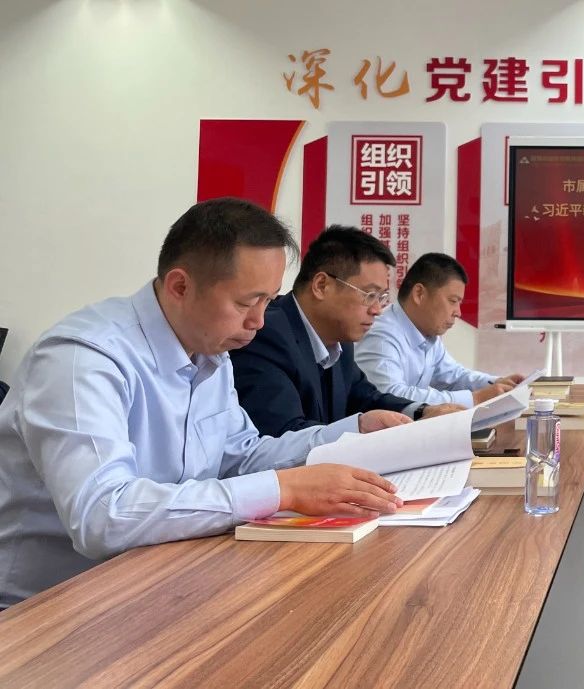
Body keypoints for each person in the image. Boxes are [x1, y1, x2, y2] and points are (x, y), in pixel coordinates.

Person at [0, 198, 405, 609]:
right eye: (246, 303)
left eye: (268, 301)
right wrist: (282, 489)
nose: (259, 322)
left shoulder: (210, 354)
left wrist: (352, 433)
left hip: (157, 582)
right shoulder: (84, 359)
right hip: (44, 611)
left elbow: (241, 456)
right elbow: (102, 515)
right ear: (180, 287)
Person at [230, 226, 462, 437]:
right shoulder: (267, 335)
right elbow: (284, 436)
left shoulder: (340, 339)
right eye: (369, 295)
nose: (377, 310)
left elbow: (366, 398)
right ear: (321, 285)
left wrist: (422, 412)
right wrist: (359, 426)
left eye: (381, 297)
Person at [356, 252, 525, 407]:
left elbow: (453, 376)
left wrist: (497, 383)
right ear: (419, 294)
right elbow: (391, 396)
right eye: (453, 301)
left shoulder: (426, 333)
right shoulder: (381, 335)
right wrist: (475, 398)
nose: (458, 312)